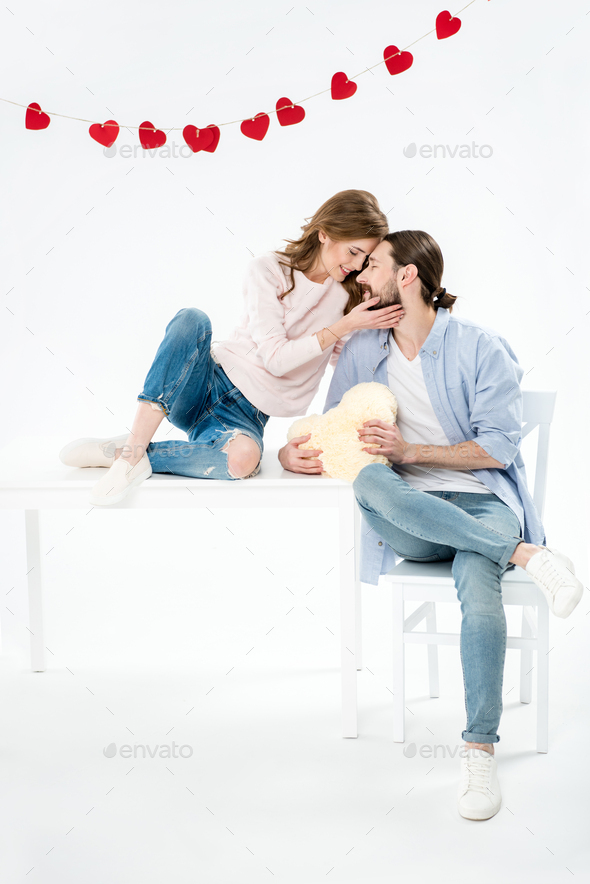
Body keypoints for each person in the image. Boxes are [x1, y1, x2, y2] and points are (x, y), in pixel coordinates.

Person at [279, 229, 584, 822]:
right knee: (368, 480)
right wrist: (296, 453)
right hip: (406, 515)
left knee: (479, 588)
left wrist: (411, 450)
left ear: (409, 276)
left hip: (480, 502)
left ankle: (478, 751)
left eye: (373, 267)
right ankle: (524, 555)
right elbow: (333, 430)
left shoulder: (481, 347)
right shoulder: (365, 349)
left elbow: (497, 450)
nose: (361, 278)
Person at [59, 190, 405, 505]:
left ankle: (130, 450)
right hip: (203, 383)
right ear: (325, 233)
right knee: (191, 319)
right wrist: (345, 325)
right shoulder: (269, 269)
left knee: (241, 461)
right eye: (353, 251)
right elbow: (276, 359)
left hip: (245, 416)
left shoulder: (347, 297)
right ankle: (133, 454)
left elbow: (348, 364)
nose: (357, 266)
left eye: (366, 259)